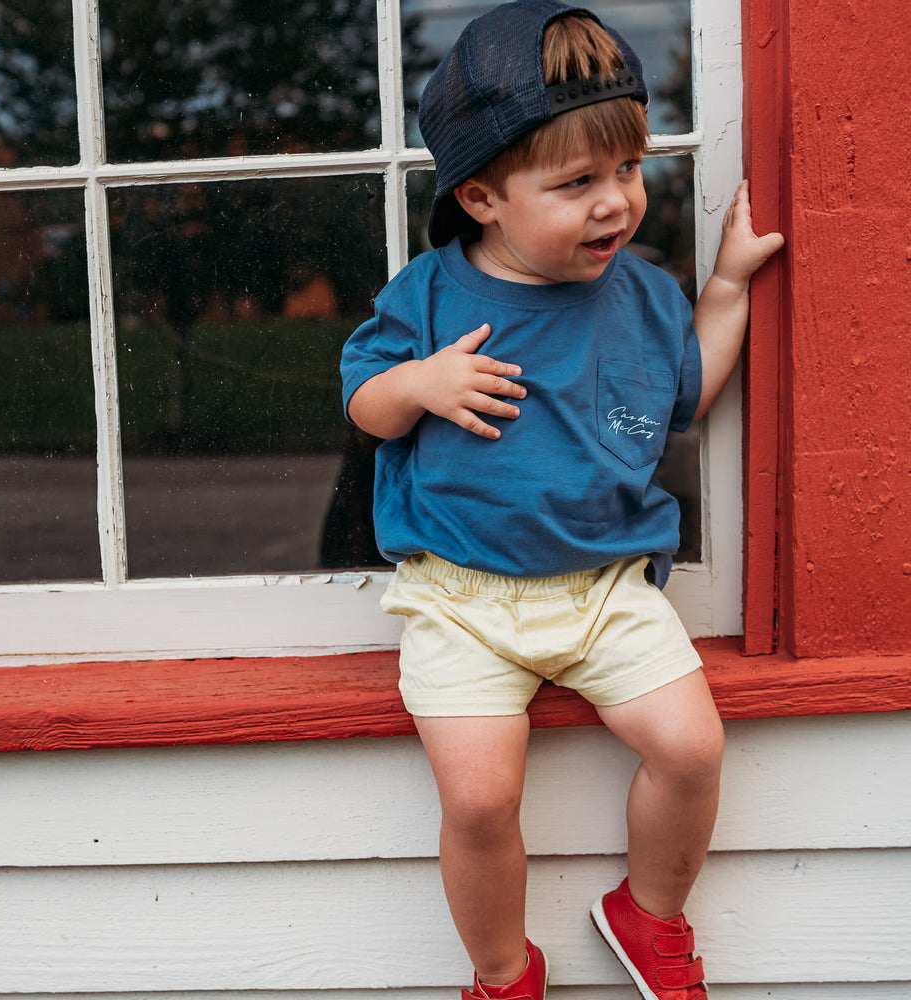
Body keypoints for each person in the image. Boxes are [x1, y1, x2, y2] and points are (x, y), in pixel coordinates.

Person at [340, 2, 784, 997]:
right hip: (461, 599)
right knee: (481, 796)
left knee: (691, 746)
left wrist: (723, 290)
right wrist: (419, 387)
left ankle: (650, 914)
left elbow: (683, 400)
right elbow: (365, 404)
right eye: (576, 182)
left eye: (625, 171)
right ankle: (503, 970)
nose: (614, 203)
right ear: (484, 194)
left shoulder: (640, 296)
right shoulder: (432, 296)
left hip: (604, 592)